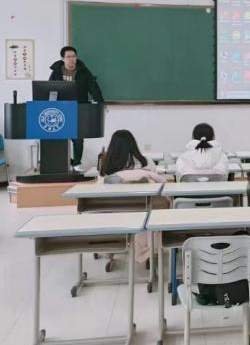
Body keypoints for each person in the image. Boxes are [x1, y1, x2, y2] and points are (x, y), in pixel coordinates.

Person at [98, 130, 166, 264]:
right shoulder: (146, 162)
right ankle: (149, 250)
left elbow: (100, 189)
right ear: (133, 144)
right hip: (144, 211)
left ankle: (113, 247)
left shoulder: (106, 165)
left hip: (115, 212)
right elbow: (157, 185)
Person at [48, 45, 105, 170]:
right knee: (58, 139)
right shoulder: (57, 72)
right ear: (63, 59)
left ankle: (77, 163)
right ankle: (65, 161)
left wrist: (101, 102)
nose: (72, 59)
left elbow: (93, 87)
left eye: (73, 56)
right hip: (59, 110)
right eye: (68, 57)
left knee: (78, 138)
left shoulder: (83, 71)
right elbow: (49, 89)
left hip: (79, 109)